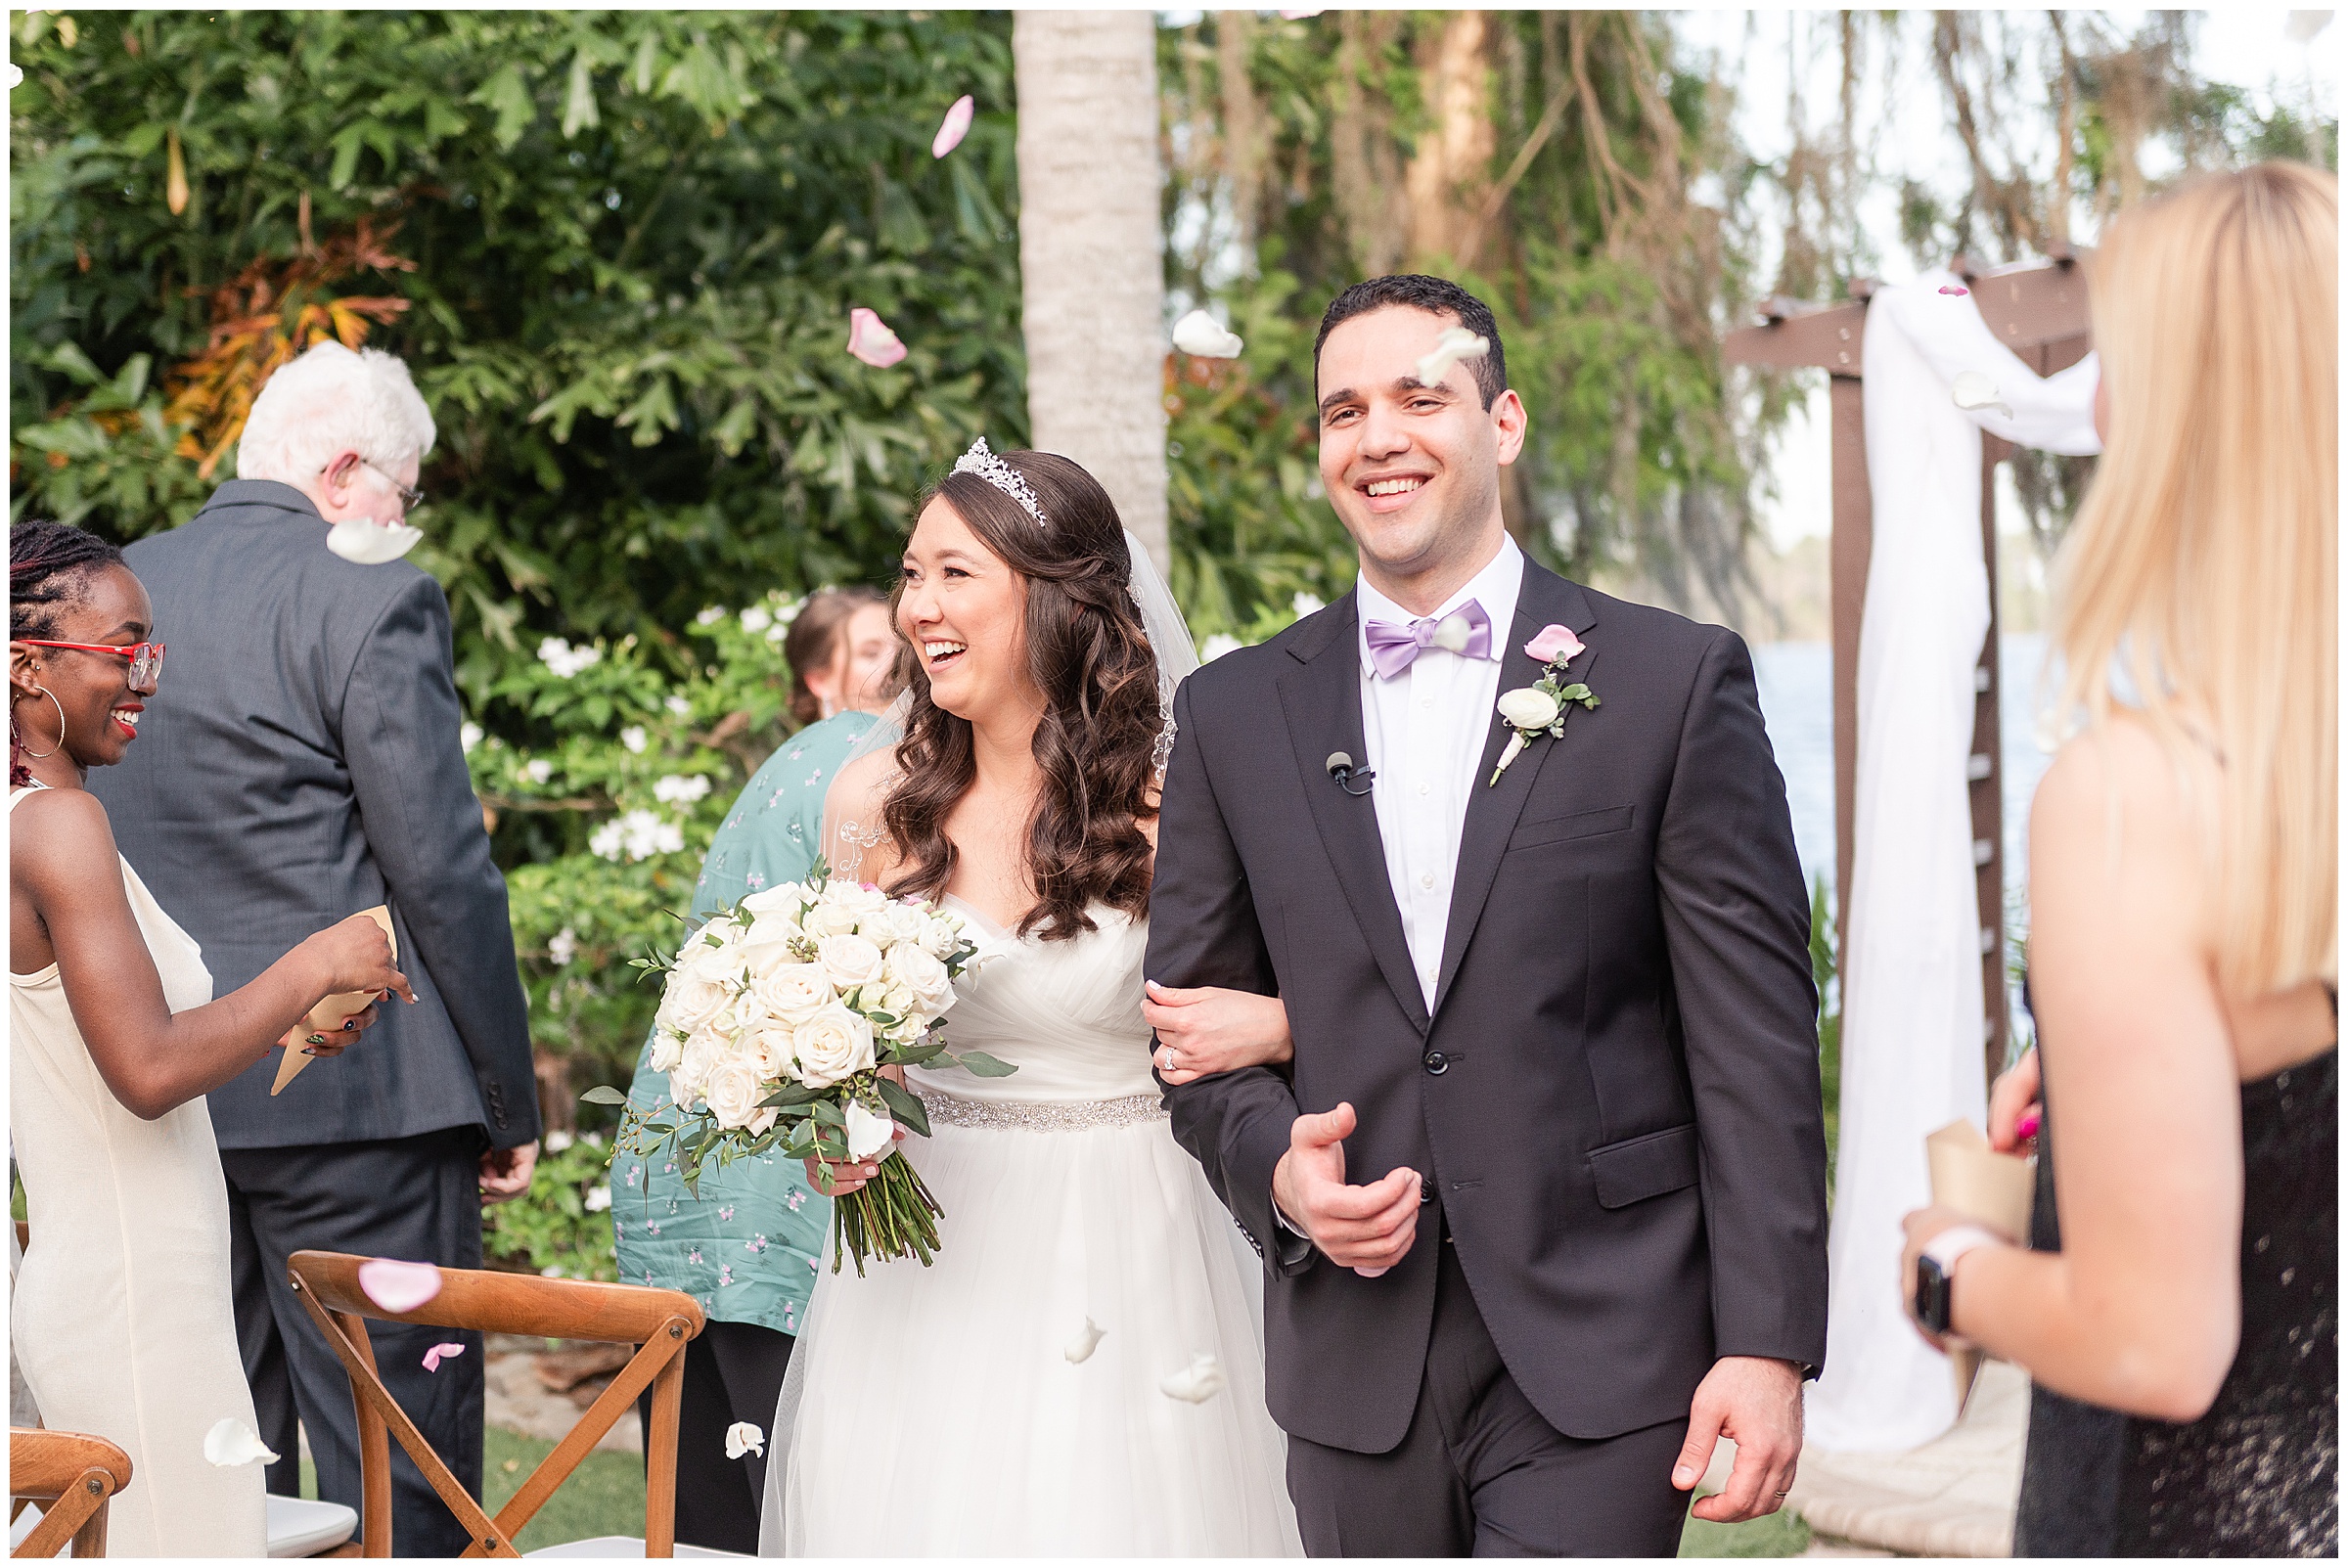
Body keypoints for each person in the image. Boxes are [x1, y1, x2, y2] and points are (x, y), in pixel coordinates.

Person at [1149, 275, 1829, 1556]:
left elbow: (1754, 1041)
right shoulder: (1237, 714)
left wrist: (1767, 1337)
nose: (1379, 436)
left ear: (1502, 422)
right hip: (1356, 1365)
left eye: (1422, 396)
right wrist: (1282, 1177)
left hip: (1604, 1345)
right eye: (1343, 409)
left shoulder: (1671, 682)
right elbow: (1188, 1039)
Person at [1899, 163, 2337, 1557]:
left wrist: (1953, 1269)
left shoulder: (2135, 793)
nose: (2089, 399)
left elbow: (2157, 1338)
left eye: (2114, 359)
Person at [758, 442, 1304, 1555]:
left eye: (955, 574)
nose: (918, 607)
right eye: (910, 574)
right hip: (922, 1260)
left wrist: (1282, 1022)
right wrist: (834, 1130)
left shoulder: (1172, 797)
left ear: (1056, 597)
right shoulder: (875, 802)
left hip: (1128, 1232)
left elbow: (1308, 999)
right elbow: (860, 1054)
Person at [86, 341, 542, 1555]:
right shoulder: (368, 589)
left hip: (167, 1094)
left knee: (224, 1465)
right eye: (404, 489)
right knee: (396, 1459)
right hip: (359, 1097)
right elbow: (438, 865)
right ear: (344, 473)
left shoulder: (105, 595)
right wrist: (505, 1097)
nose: (405, 517)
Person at [11, 520, 411, 1557]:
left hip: (130, 1277)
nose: (146, 678)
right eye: (124, 650)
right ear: (27, 666)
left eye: (155, 653)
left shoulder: (41, 817)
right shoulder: (57, 828)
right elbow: (145, 1069)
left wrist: (293, 1015)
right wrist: (313, 966)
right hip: (135, 1293)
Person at [614, 586, 898, 1554]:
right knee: (794, 1499)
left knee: (705, 1512)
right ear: (820, 678)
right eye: (876, 650)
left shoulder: (783, 769)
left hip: (687, 1171)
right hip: (778, 1181)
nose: (899, 665)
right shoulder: (864, 764)